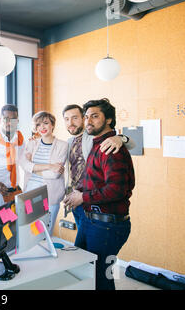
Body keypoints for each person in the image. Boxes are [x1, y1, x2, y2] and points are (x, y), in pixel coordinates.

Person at [63, 98, 135, 290]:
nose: (88, 121)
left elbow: (116, 190)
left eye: (94, 116)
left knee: (102, 278)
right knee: (86, 270)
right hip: (91, 220)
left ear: (109, 120)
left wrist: (82, 197)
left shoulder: (111, 148)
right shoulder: (97, 143)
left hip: (108, 225)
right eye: (87, 117)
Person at [62, 104, 136, 230]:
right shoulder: (68, 142)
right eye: (67, 119)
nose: (70, 123)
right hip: (77, 201)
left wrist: (119, 138)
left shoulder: (93, 136)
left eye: (75, 118)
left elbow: (132, 144)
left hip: (93, 202)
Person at [22, 111, 68, 234]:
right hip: (29, 194)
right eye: (38, 125)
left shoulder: (63, 145)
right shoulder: (32, 143)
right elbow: (25, 165)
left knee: (45, 233)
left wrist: (34, 168)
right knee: (28, 233)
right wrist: (49, 166)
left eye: (46, 123)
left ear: (52, 125)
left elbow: (55, 174)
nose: (42, 127)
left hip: (50, 195)